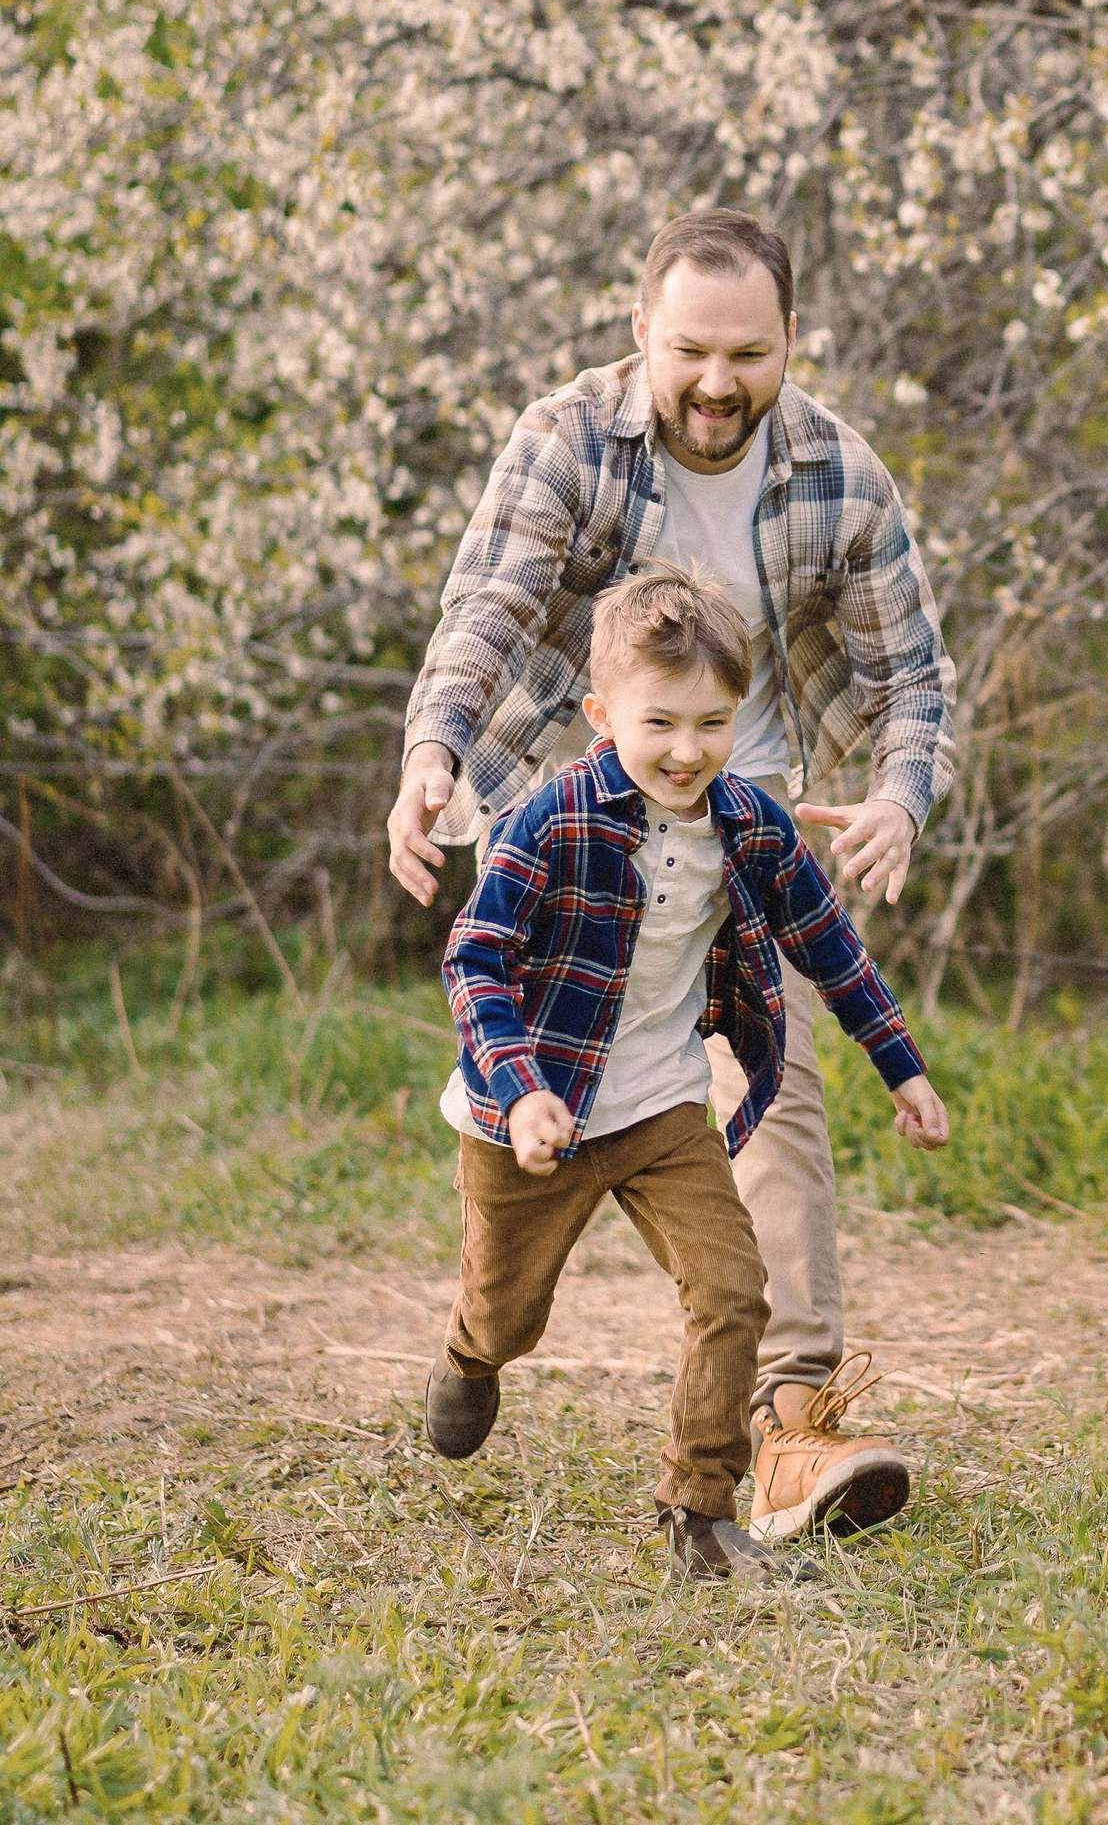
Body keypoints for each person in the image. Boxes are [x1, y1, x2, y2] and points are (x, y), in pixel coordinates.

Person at [388, 207, 956, 1541]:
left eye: (748, 354)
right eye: (689, 350)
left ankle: (787, 1431)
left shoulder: (840, 474)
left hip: (742, 842)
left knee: (778, 1096)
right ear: (641, 334)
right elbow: (488, 608)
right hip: (572, 835)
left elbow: (911, 678)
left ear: (790, 343)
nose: (717, 382)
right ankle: (482, 1335)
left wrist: (898, 799)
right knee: (524, 1209)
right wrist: (433, 751)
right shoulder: (569, 440)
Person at [430, 565, 950, 1582]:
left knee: (733, 1291)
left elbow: (828, 946)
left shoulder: (750, 823)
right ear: (600, 714)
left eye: (710, 724)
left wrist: (901, 1069)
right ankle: (469, 1351)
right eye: (658, 722)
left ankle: (700, 1514)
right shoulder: (554, 820)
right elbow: (473, 956)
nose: (684, 751)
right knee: (509, 1308)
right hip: (529, 1113)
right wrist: (522, 1086)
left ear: (738, 718)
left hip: (663, 1107)